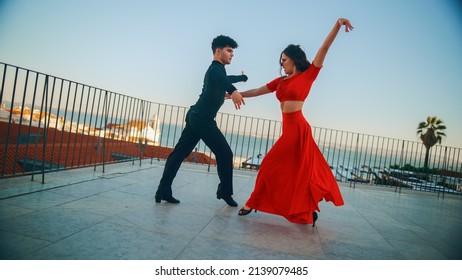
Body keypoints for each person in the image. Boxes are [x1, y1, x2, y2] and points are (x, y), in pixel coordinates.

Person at [237, 18, 353, 225]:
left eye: (284, 59)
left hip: (298, 129)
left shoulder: (309, 75)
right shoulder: (280, 81)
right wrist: (235, 94)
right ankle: (306, 212)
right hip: (289, 130)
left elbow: (324, 48)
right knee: (290, 173)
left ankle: (252, 202)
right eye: (280, 60)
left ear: (294, 59)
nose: (281, 63)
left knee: (269, 164)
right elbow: (258, 90)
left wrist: (337, 25)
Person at [155, 35, 247, 207]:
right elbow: (224, 81)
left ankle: (163, 190)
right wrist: (234, 91)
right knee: (225, 154)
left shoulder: (219, 70)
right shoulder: (214, 69)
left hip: (196, 116)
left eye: (233, 52)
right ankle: (225, 192)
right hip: (202, 119)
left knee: (179, 154)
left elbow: (226, 79)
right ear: (218, 51)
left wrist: (242, 78)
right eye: (229, 51)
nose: (231, 55)